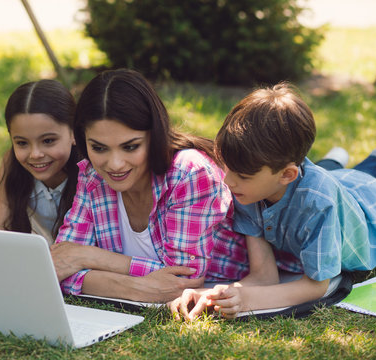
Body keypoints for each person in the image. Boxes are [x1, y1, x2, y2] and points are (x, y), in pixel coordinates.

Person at [169, 82, 376, 320]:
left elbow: (316, 286)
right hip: (346, 184)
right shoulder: (250, 191)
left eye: (242, 176)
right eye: (228, 169)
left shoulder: (319, 203)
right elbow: (264, 276)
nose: (227, 182)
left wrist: (245, 300)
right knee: (345, 174)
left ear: (287, 175)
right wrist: (207, 295)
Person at [50, 69, 253, 303]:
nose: (114, 164)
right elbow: (60, 267)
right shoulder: (92, 175)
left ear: (153, 136)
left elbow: (184, 279)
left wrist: (88, 256)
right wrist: (136, 288)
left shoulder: (189, 173)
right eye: (99, 148)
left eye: (130, 147)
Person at [0, 80, 80, 244]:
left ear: (74, 132)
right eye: (22, 143)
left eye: (48, 141)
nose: (35, 154)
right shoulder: (11, 164)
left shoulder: (91, 172)